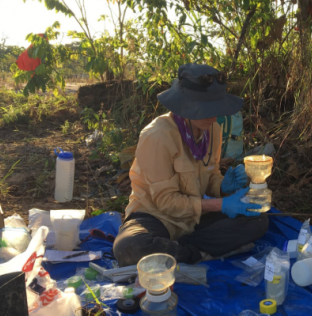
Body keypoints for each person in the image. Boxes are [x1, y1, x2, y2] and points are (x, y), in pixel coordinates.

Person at [113, 63, 269, 267]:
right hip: (156, 216)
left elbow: (210, 175)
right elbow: (165, 202)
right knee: (130, 248)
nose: (214, 117)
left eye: (217, 109)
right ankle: (195, 251)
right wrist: (220, 205)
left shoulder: (212, 129)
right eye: (206, 110)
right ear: (184, 105)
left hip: (194, 217)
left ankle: (177, 251)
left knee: (258, 219)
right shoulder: (157, 136)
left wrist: (223, 186)